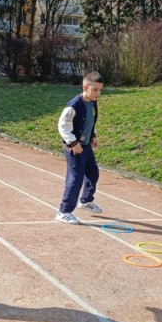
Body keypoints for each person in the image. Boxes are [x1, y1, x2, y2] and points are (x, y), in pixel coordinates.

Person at [56, 71, 104, 224]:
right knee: (75, 178)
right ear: (85, 87)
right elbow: (63, 126)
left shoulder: (93, 102)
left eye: (100, 90)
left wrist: (93, 135)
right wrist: (73, 143)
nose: (98, 93)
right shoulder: (74, 105)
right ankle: (64, 211)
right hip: (74, 148)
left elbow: (90, 121)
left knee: (93, 173)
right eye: (95, 90)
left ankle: (86, 200)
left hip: (86, 145)